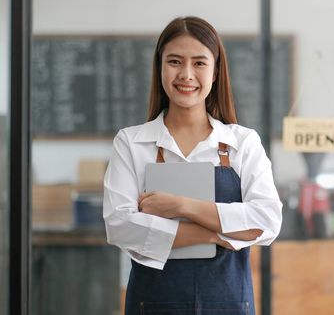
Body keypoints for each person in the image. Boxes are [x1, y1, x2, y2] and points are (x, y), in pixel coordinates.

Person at [103, 16, 283, 315]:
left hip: (229, 305)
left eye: (199, 63)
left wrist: (181, 206)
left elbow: (266, 222)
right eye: (174, 61)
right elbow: (120, 227)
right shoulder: (131, 143)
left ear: (215, 72)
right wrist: (216, 234)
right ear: (160, 68)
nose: (186, 74)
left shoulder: (243, 143)